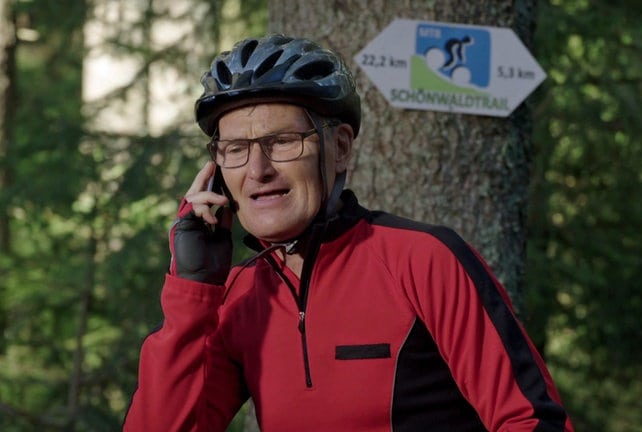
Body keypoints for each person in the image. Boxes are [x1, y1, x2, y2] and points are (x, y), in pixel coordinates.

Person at [123, 34, 574, 432]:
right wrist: (192, 292)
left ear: (338, 148)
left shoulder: (421, 260)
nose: (258, 170)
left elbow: (532, 420)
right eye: (235, 150)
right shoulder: (240, 296)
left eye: (282, 142)